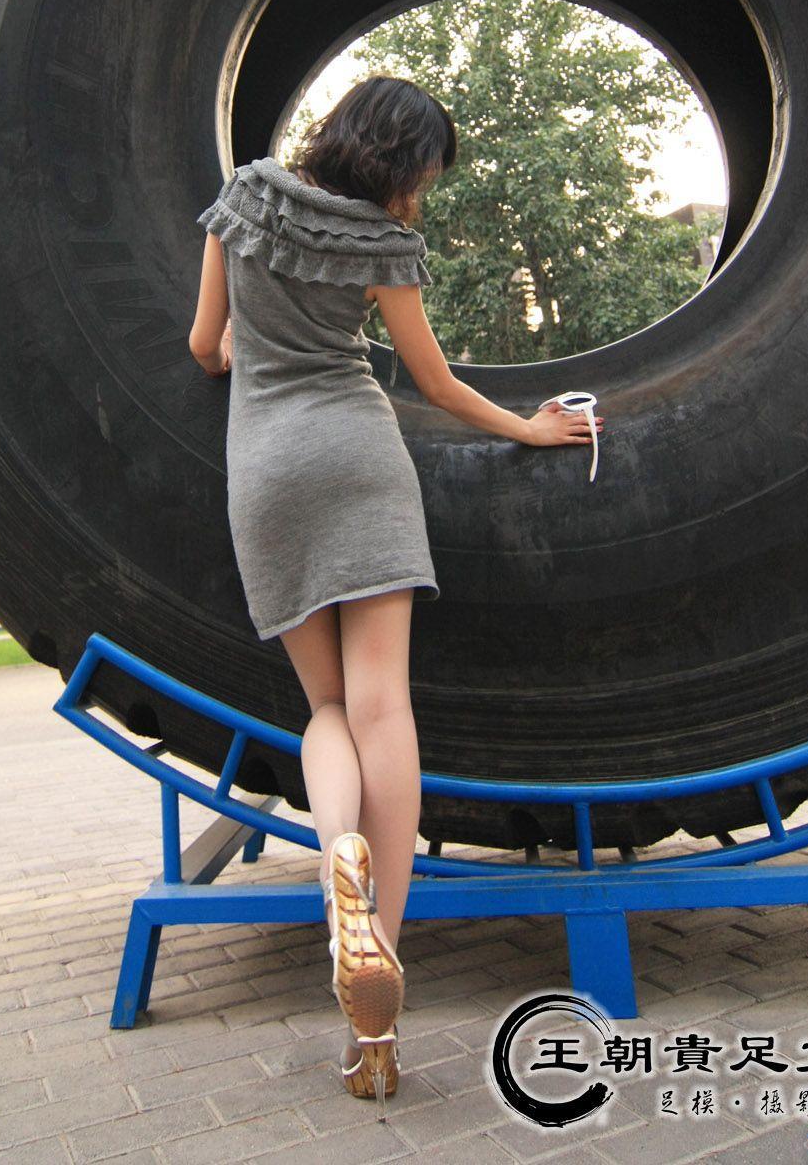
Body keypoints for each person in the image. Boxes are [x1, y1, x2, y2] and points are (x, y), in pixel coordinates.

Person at [188, 74, 604, 1117]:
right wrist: (533, 428)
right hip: (363, 460)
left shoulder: (245, 197)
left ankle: (339, 862)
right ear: (403, 165)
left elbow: (206, 347)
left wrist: (248, 345)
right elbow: (435, 382)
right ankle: (380, 999)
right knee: (388, 708)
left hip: (270, 469)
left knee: (328, 711)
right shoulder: (383, 244)